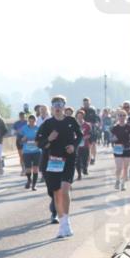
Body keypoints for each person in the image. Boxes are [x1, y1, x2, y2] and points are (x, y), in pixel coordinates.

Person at [36, 95, 82, 238]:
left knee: (64, 189)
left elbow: (79, 136)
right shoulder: (48, 124)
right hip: (51, 162)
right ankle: (62, 225)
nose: (57, 106)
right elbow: (38, 142)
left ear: (64, 106)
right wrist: (49, 139)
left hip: (68, 159)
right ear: (52, 107)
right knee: (56, 193)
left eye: (60, 104)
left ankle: (66, 222)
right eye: (55, 104)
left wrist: (73, 146)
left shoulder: (71, 121)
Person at [111, 110, 130, 190]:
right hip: (118, 148)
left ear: (126, 116)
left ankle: (123, 183)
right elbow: (112, 139)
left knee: (125, 167)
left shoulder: (129, 127)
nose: (121, 117)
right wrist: (114, 139)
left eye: (123, 115)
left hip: (127, 148)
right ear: (117, 117)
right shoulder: (115, 127)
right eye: (120, 115)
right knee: (119, 167)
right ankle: (117, 180)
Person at [20, 114, 42, 190]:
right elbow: (19, 140)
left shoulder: (38, 128)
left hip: (36, 151)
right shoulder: (24, 128)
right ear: (28, 121)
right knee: (28, 169)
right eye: (30, 121)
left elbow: (41, 139)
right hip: (26, 151)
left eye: (33, 121)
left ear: (35, 121)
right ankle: (29, 180)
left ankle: (34, 185)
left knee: (35, 168)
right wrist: (23, 139)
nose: (31, 122)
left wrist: (38, 141)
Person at [81, 98, 100, 164]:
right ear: (83, 104)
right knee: (87, 146)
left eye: (87, 103)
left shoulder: (92, 110)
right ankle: (88, 158)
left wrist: (96, 124)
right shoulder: (81, 111)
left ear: (89, 103)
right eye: (85, 103)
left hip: (93, 130)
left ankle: (93, 158)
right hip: (84, 130)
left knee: (93, 144)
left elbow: (97, 119)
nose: (86, 104)